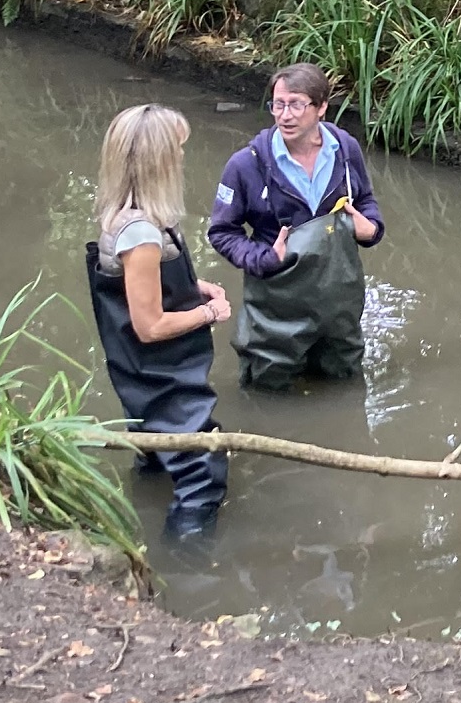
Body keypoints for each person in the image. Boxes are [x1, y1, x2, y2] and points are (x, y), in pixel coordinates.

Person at [85, 104, 231, 537]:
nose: (183, 158)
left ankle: (139, 520)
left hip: (138, 377)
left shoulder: (130, 215)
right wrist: (208, 313)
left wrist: (192, 286)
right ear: (158, 161)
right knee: (201, 471)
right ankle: (189, 578)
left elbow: (138, 287)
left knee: (151, 446)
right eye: (178, 150)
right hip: (163, 377)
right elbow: (148, 327)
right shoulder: (142, 234)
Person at [208, 62, 385, 391]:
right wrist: (264, 258)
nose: (285, 115)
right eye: (278, 104)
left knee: (343, 383)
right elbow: (222, 232)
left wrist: (371, 228)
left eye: (296, 104)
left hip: (338, 305)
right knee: (268, 387)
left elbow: (366, 201)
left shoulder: (345, 150)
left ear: (321, 108)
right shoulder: (246, 164)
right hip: (275, 304)